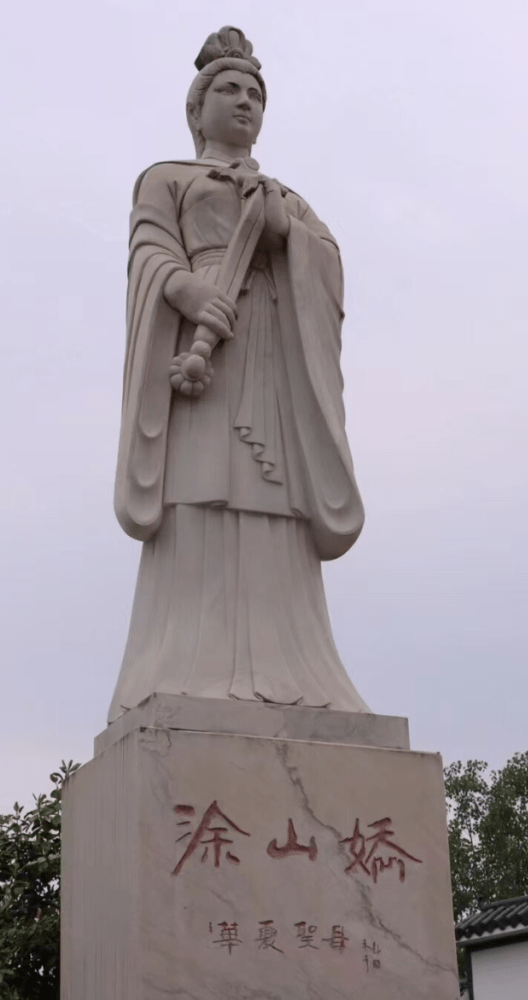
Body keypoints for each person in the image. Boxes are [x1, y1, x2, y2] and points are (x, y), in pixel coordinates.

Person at [108, 26, 368, 723]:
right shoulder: (166, 179)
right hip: (200, 364)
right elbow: (147, 252)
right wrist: (186, 291)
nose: (244, 101)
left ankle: (298, 669)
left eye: (254, 92)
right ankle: (183, 662)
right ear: (197, 108)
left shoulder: (283, 196)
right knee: (199, 490)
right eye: (229, 89)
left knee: (274, 498)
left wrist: (286, 234)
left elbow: (329, 267)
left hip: (271, 361)